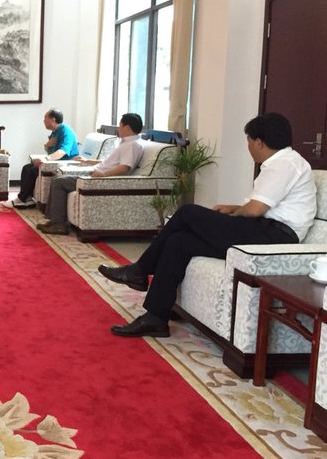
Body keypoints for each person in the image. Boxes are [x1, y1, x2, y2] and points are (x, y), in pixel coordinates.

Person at [101, 112, 316, 338]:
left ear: (259, 142)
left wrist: (236, 213)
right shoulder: (283, 162)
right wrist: (233, 208)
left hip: (273, 238)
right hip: (264, 230)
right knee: (179, 242)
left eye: (249, 142)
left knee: (187, 213)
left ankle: (139, 270)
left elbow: (255, 210)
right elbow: (263, 206)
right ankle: (156, 317)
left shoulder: (285, 165)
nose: (249, 147)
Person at [38, 113, 144, 235]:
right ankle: (54, 221)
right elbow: (108, 162)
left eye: (120, 125)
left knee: (59, 182)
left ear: (127, 127)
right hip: (96, 173)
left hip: (100, 179)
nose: (118, 128)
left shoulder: (133, 145)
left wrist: (104, 175)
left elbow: (125, 167)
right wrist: (87, 161)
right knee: (57, 178)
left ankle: (59, 225)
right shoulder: (126, 143)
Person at [8, 109, 79, 208]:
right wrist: (46, 145)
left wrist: (46, 159)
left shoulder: (66, 131)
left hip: (65, 163)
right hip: (54, 162)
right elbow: (50, 150)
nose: (43, 121)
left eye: (45, 118)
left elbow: (62, 151)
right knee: (26, 167)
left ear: (53, 120)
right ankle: (28, 199)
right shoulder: (55, 132)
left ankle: (22, 199)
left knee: (33, 170)